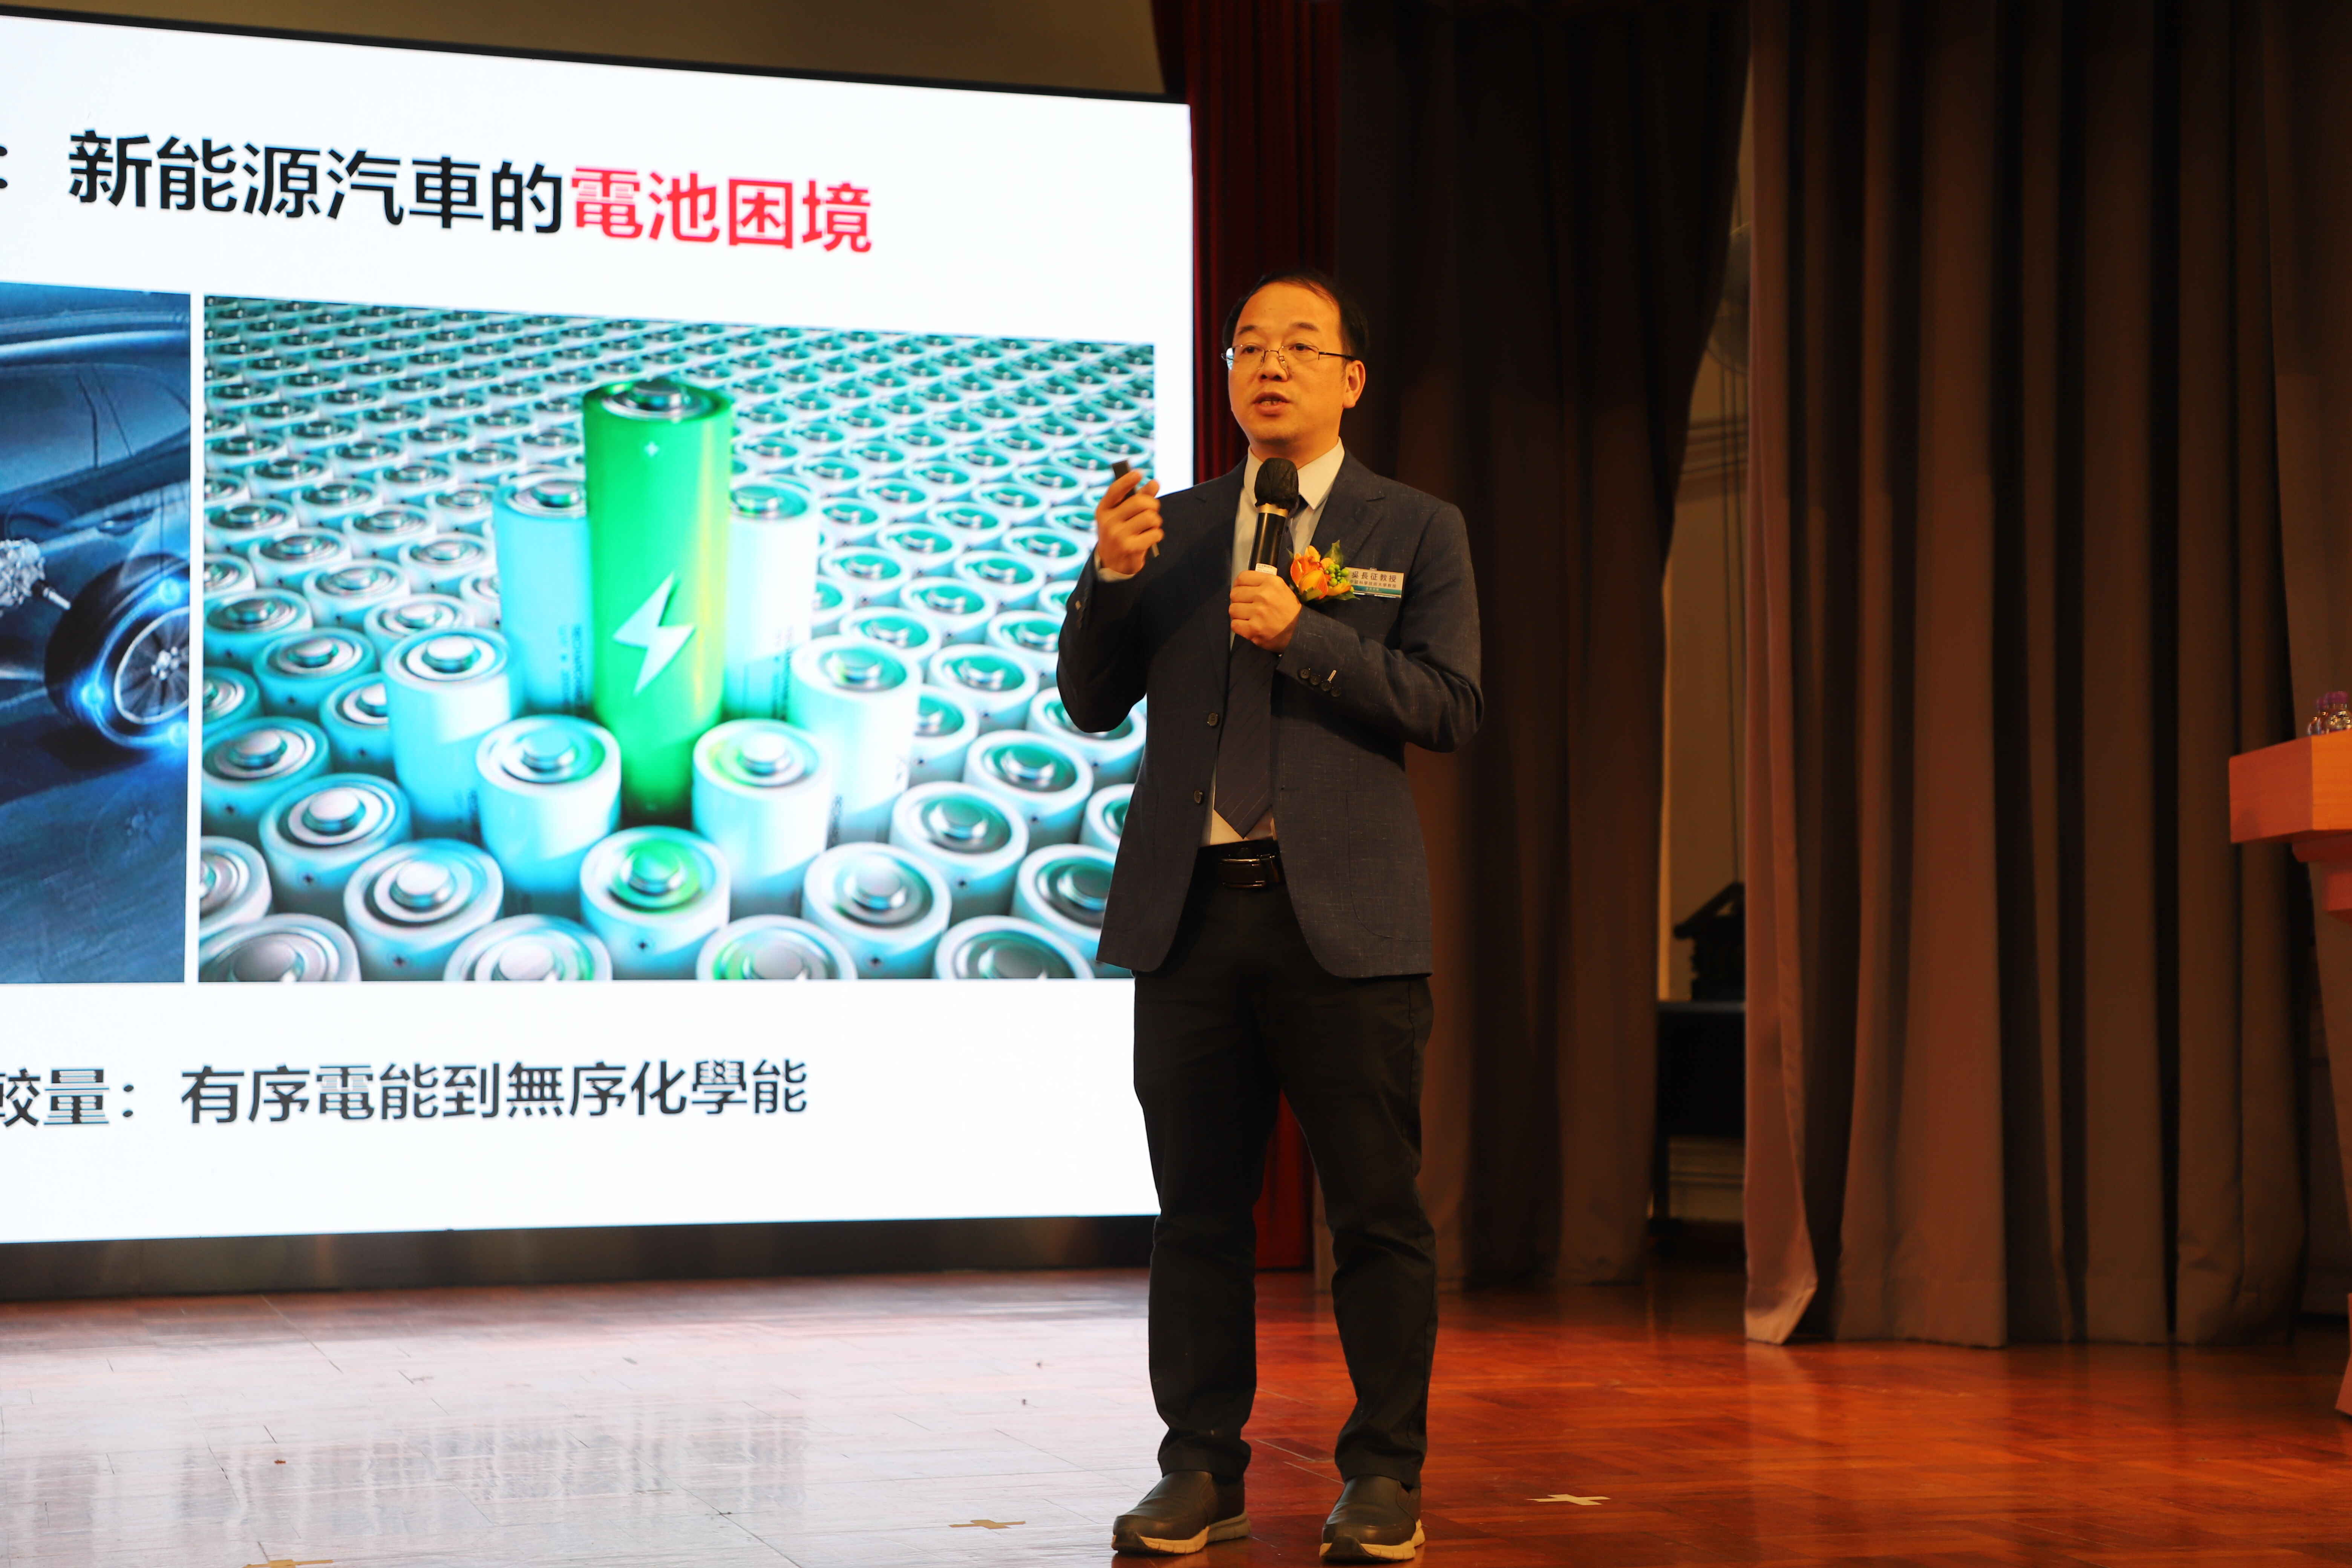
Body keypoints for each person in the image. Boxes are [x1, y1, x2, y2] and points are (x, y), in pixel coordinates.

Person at [1058, 269, 1482, 1562]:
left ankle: (1384, 1475)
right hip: (1193, 919)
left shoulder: (1417, 527)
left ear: (1351, 379)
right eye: (1248, 346)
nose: (1269, 365)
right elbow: (1091, 702)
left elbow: (1451, 706)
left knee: (1377, 1214)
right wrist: (1110, 578)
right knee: (1196, 1213)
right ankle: (1200, 1469)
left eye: (1299, 346)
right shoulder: (1176, 528)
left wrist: (1309, 637)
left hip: (1344, 925)